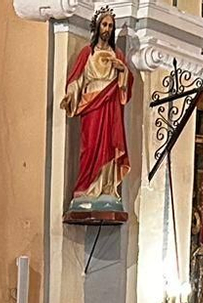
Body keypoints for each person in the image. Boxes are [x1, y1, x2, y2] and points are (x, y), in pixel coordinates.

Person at [62, 7, 132, 211]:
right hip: (92, 105)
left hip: (110, 108)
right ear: (97, 26)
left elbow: (126, 86)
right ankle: (85, 188)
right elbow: (77, 79)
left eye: (110, 25)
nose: (107, 29)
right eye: (104, 24)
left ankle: (107, 189)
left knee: (109, 145)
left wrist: (123, 71)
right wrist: (71, 94)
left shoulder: (117, 54)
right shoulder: (88, 52)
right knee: (90, 145)